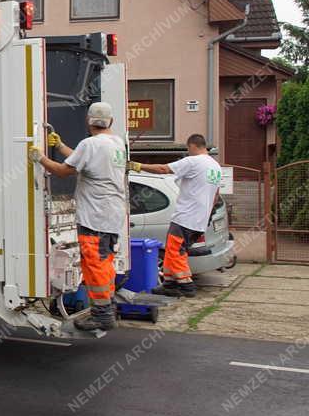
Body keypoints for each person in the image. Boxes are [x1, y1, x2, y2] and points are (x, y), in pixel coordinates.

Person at [29, 102, 127, 331]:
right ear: (110, 121)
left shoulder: (90, 144)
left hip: (95, 216)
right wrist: (62, 147)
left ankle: (102, 315)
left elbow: (64, 172)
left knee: (95, 265)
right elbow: (85, 162)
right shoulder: (117, 143)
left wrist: (40, 158)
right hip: (112, 215)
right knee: (105, 263)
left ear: (88, 121)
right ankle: (106, 307)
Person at [128, 134, 222, 298]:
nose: (188, 152)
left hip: (185, 217)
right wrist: (207, 215)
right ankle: (170, 283)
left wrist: (136, 165)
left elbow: (163, 169)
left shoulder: (193, 161)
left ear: (192, 146)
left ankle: (187, 285)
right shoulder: (215, 167)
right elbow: (215, 194)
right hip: (199, 220)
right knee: (175, 250)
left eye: (188, 149)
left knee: (175, 250)